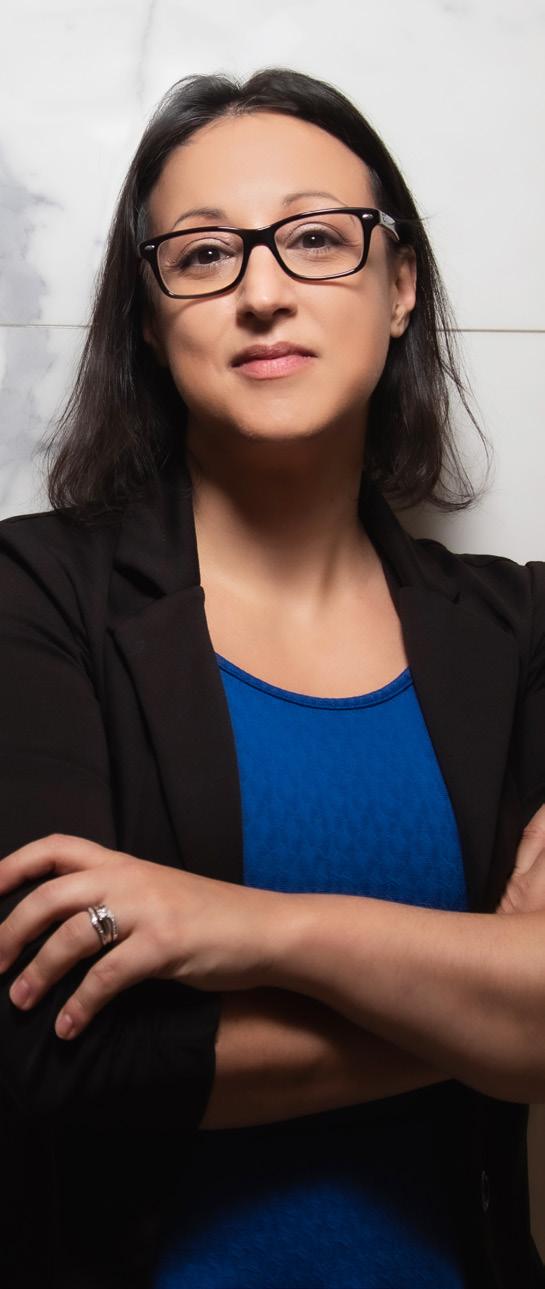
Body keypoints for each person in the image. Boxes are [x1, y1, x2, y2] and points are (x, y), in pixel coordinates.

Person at [0, 65, 544, 1289]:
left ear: (398, 286)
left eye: (315, 238)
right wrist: (495, 1018)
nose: (260, 291)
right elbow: (55, 1059)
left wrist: (250, 928)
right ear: (149, 319)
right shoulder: (32, 596)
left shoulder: (519, 632)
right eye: (202, 254)